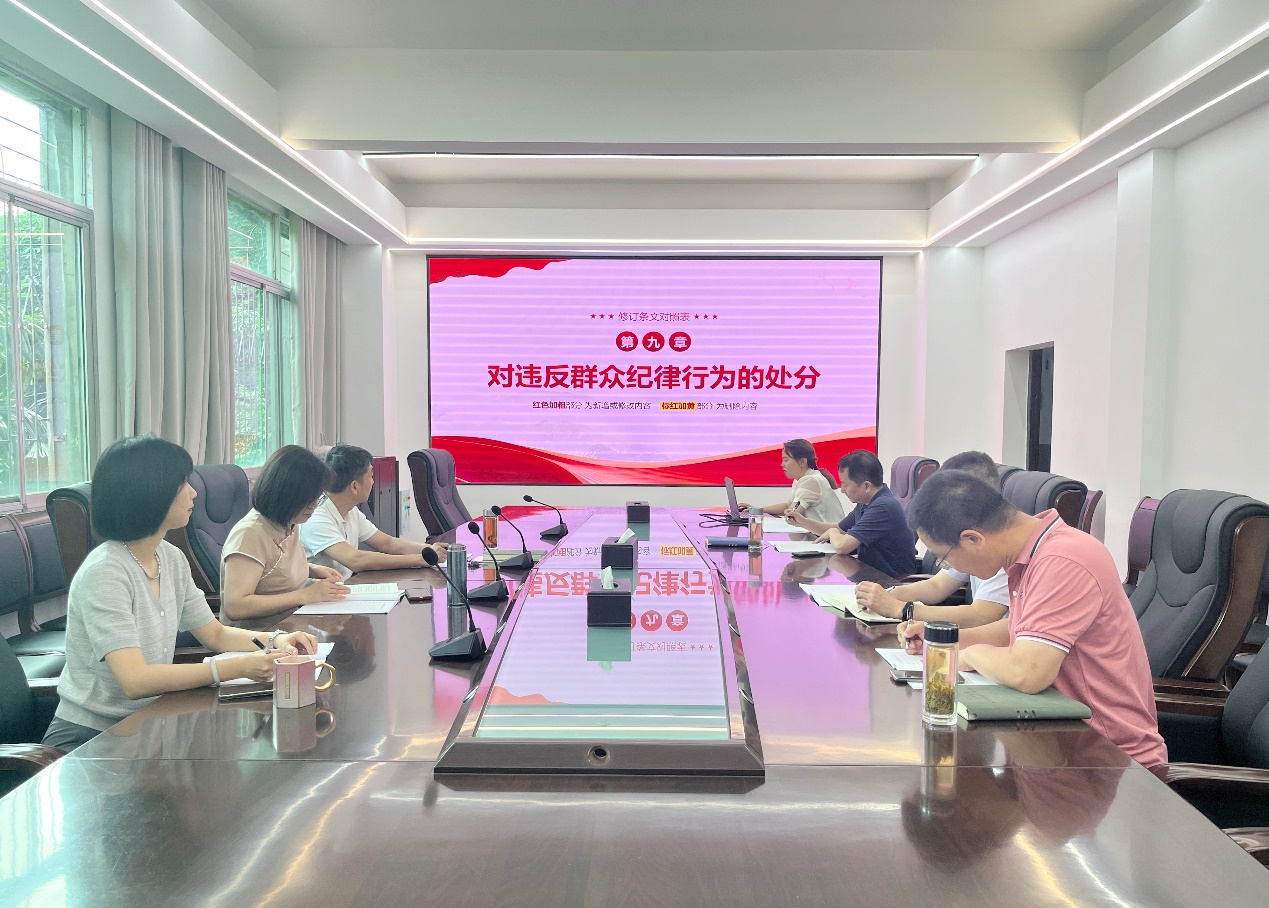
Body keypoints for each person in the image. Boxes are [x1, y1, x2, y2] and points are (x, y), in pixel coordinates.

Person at [41, 436, 317, 752]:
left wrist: (276, 639)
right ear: (151, 494)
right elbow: (135, 680)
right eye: (183, 484)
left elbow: (215, 634)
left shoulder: (169, 557)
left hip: (151, 722)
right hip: (93, 736)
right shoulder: (105, 571)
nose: (193, 492)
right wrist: (237, 667)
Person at [900, 469, 1166, 767]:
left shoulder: (1063, 559)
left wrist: (969, 654)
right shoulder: (1033, 554)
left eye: (944, 557)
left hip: (1107, 759)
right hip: (1055, 743)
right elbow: (1021, 630)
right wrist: (944, 640)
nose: (947, 566)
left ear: (973, 539)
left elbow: (1027, 672)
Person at [854, 450, 1010, 644]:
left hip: (990, 649)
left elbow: (981, 616)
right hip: (978, 646)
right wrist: (890, 596)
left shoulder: (1001, 546)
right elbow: (938, 586)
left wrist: (902, 609)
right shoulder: (967, 536)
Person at [221, 445, 350, 631]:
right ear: (287, 496)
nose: (315, 505)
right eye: (308, 500)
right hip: (259, 637)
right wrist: (305, 595)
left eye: (318, 497)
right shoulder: (249, 534)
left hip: (293, 627)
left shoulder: (289, 521)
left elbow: (270, 568)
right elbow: (236, 606)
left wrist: (310, 569)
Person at [299, 444, 448, 579]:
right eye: (370, 476)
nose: (373, 481)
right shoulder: (316, 517)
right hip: (320, 597)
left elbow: (387, 543)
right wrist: (421, 559)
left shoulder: (350, 511)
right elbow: (355, 560)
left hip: (342, 590)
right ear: (355, 486)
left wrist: (429, 549)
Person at [792, 450, 916, 577]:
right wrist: (803, 522)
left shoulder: (883, 507)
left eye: (845, 484)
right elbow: (840, 528)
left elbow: (842, 546)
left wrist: (832, 532)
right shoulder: (867, 502)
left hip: (891, 582)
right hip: (871, 576)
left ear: (866, 486)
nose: (842, 490)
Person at [748, 439, 845, 526]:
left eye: (786, 460)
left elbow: (792, 515)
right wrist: (757, 510)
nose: (782, 464)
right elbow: (788, 506)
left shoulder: (811, 480)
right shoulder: (801, 479)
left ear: (802, 462)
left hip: (829, 537)